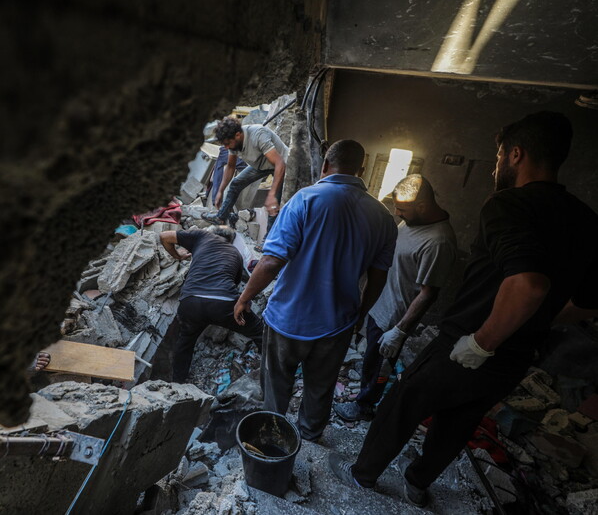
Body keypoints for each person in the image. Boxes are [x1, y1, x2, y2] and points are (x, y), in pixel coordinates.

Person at [330, 111, 598, 508]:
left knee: (403, 403)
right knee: (458, 423)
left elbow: (529, 284)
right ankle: (417, 482)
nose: (495, 166)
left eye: (499, 156)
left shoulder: (508, 205)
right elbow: (587, 302)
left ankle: (362, 473)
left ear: (516, 155)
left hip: (467, 342)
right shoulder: (587, 220)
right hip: (516, 357)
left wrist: (482, 342)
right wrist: (533, 320)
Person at [233, 140, 398, 442]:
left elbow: (271, 261)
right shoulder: (383, 217)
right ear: (362, 170)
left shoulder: (305, 199)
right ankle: (309, 437)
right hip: (337, 322)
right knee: (320, 387)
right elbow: (378, 277)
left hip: (288, 317)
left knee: (276, 383)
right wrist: (360, 314)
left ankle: (272, 435)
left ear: (325, 165)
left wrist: (244, 298)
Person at [335, 174, 457, 422]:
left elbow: (429, 293)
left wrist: (399, 331)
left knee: (380, 366)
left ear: (421, 206)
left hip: (394, 319)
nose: (397, 213)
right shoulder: (412, 221)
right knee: (371, 360)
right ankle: (366, 390)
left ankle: (365, 406)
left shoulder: (438, 241)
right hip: (381, 307)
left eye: (402, 209)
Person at [160, 226, 264, 383]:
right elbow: (234, 287)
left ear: (212, 233)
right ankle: (270, 372)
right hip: (223, 303)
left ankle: (177, 384)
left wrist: (178, 255)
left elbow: (164, 236)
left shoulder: (201, 236)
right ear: (231, 241)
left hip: (190, 302)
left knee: (185, 342)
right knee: (259, 332)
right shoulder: (236, 253)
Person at [202, 117, 289, 231]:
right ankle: (221, 217)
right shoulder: (234, 142)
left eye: (228, 144)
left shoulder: (258, 135)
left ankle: (269, 237)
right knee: (235, 183)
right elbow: (231, 166)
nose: (227, 147)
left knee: (274, 203)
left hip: (281, 165)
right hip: (260, 165)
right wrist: (220, 191)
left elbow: (279, 163)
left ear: (238, 135)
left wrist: (271, 195)